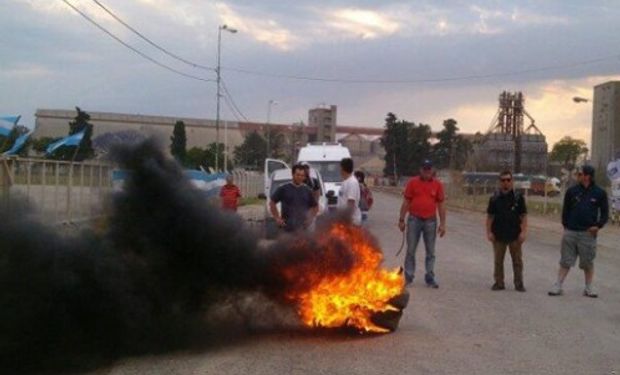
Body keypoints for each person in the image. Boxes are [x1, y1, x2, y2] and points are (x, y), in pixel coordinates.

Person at [548, 165, 608, 298]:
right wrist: (566, 226)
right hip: (571, 232)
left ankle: (588, 287)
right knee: (565, 261)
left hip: (588, 233)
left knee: (587, 262)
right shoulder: (572, 191)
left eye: (580, 174)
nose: (578, 176)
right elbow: (566, 211)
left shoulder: (599, 193)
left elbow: (604, 213)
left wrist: (598, 226)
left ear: (588, 176)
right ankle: (558, 285)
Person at [398, 159, 446, 288]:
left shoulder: (438, 185)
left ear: (432, 170)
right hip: (414, 220)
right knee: (411, 250)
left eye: (429, 169)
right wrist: (401, 219)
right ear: (421, 170)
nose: (427, 172)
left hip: (430, 221)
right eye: (425, 169)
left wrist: (443, 224)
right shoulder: (412, 183)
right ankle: (408, 276)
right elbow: (406, 202)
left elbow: (441, 205)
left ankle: (430, 276)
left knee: (430, 251)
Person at [486, 170, 528, 292]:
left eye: (508, 180)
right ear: (500, 182)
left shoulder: (518, 198)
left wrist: (524, 232)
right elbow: (490, 217)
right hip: (498, 234)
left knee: (517, 261)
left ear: (512, 181)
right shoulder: (494, 198)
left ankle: (519, 284)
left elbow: (523, 216)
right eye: (503, 180)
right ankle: (499, 283)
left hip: (515, 234)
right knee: (498, 261)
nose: (506, 182)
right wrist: (489, 232)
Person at [270, 164, 319, 233]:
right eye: (298, 175)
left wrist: (310, 219)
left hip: (303, 229)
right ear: (292, 174)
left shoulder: (307, 190)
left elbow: (315, 207)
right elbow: (272, 203)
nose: (300, 177)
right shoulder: (283, 188)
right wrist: (277, 218)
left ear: (304, 177)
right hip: (286, 227)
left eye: (302, 175)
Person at [338, 158, 362, 226]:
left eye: (340, 168)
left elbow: (351, 202)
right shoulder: (345, 181)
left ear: (343, 168)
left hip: (351, 220)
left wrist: (348, 220)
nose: (339, 170)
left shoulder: (352, 182)